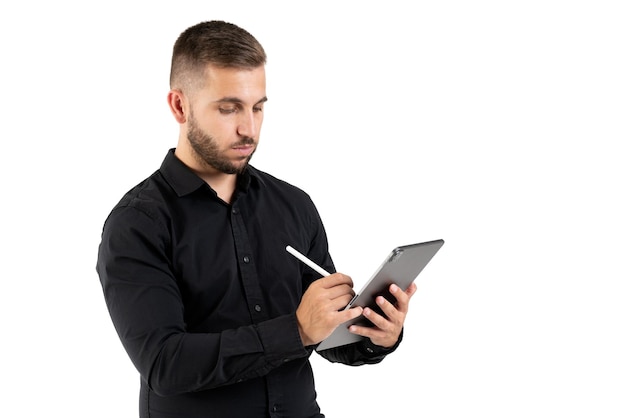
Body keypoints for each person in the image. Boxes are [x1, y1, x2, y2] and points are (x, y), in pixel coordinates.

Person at [96, 20, 417, 418]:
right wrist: (295, 331)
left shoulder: (293, 205)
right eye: (228, 108)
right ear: (180, 106)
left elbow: (327, 337)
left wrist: (377, 333)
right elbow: (165, 364)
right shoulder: (137, 224)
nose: (248, 128)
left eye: (258, 107)